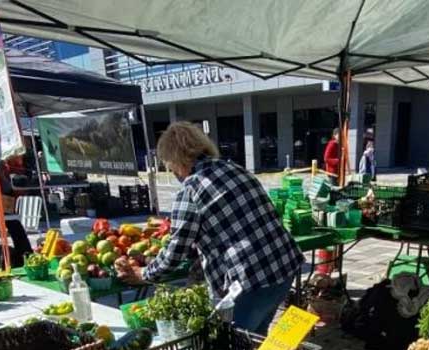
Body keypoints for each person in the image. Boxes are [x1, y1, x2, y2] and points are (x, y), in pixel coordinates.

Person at [118, 122, 302, 334]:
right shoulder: (235, 168)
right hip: (284, 266)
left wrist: (144, 273)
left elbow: (175, 251)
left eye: (170, 165)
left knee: (233, 345)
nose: (172, 172)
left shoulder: (191, 188)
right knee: (256, 338)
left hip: (251, 279)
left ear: (176, 160)